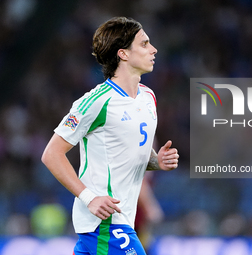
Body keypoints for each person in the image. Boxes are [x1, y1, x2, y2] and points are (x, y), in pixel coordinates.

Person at [41, 17, 179, 255]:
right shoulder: (96, 101)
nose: (153, 49)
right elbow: (51, 154)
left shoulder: (148, 97)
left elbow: (125, 155)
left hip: (123, 220)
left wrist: (157, 161)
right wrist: (89, 197)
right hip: (104, 223)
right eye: (144, 44)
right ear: (123, 54)